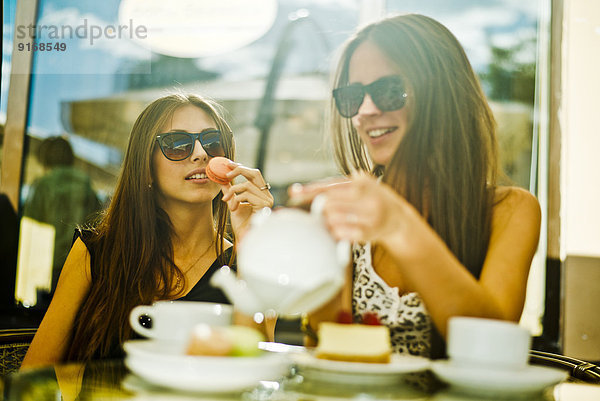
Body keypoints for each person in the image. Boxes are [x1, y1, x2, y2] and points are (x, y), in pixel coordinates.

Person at [290, 14, 541, 359]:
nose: (365, 111)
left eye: (389, 91)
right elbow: (327, 347)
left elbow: (491, 352)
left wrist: (399, 225)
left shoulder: (510, 210)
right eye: (352, 96)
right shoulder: (351, 214)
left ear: (442, 93)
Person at [21, 93, 273, 367]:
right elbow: (35, 375)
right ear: (146, 168)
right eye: (177, 144)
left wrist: (251, 246)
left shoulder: (246, 264)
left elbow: (256, 372)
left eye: (213, 142)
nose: (201, 154)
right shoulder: (96, 253)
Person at [23, 136, 102, 293]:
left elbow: (30, 229)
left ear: (45, 158)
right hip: (81, 263)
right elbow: (97, 224)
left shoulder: (43, 184)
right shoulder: (86, 185)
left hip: (49, 265)